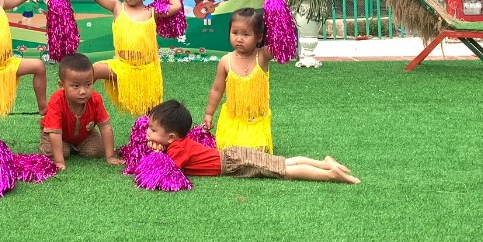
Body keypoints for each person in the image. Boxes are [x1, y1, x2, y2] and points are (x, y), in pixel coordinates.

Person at [145, 100, 358, 183]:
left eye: (153, 130)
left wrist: (156, 153)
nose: (147, 133)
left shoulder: (176, 149)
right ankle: (324, 163)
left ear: (171, 137)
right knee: (281, 162)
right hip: (232, 155)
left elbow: (168, 171)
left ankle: (329, 174)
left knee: (282, 170)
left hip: (232, 163)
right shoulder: (180, 143)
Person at [63, 0, 177, 116]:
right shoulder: (117, 6)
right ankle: (71, 108)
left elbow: (176, 6)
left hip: (147, 71)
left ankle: (149, 128)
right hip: (121, 67)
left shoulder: (152, 11)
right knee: (93, 70)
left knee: (151, 112)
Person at [201, 6, 274, 152]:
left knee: (255, 153)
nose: (239, 39)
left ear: (259, 37)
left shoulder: (263, 56)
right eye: (235, 33)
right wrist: (209, 114)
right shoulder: (225, 61)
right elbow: (217, 90)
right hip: (233, 120)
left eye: (246, 34)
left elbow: (280, 43)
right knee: (230, 153)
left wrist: (275, 14)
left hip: (256, 122)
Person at [40, 53, 121, 169]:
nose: (83, 91)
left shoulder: (95, 99)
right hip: (58, 135)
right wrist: (59, 162)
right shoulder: (56, 100)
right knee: (61, 151)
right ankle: (56, 145)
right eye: (76, 86)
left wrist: (110, 157)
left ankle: (76, 146)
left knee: (98, 150)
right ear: (62, 85)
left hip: (84, 135)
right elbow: (54, 132)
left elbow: (105, 126)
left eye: (88, 85)